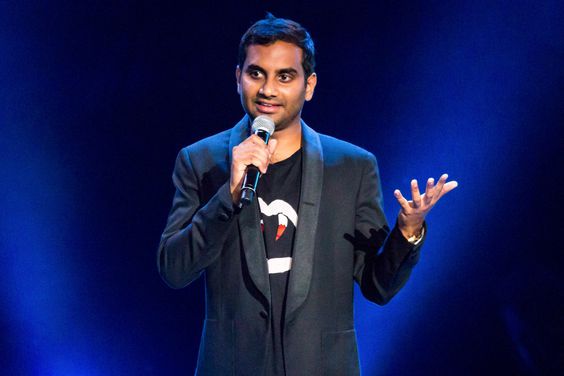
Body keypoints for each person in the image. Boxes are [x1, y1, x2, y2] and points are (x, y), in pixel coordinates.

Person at [157, 13, 457, 376]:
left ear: (309, 85)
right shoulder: (201, 161)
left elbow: (377, 286)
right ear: (238, 78)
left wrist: (408, 231)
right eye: (256, 74)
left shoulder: (351, 167)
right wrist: (228, 195)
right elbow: (174, 269)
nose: (268, 89)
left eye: (285, 76)